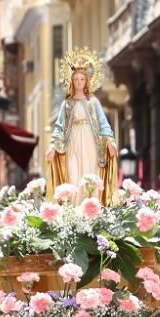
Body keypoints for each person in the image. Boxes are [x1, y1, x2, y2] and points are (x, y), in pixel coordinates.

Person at [45, 49, 117, 205]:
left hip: (91, 142)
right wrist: (52, 146)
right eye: (76, 79)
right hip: (72, 143)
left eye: (82, 79)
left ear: (86, 81)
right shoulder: (67, 104)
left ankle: (91, 208)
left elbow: (103, 123)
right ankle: (76, 209)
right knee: (73, 174)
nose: (79, 82)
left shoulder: (93, 102)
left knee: (90, 173)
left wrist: (110, 141)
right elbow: (59, 127)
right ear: (71, 81)